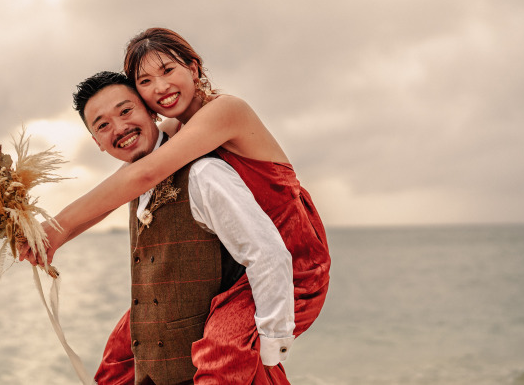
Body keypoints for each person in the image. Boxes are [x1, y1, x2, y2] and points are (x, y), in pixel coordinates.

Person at [39, 28, 331, 340]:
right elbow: (122, 186)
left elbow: (144, 175)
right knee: (125, 348)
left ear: (193, 68)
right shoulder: (176, 127)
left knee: (224, 353)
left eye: (167, 70)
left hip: (290, 261)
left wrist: (59, 226)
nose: (160, 87)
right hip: (234, 264)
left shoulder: (226, 111)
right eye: (145, 81)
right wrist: (53, 235)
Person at [63, 71, 295, 384]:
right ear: (97, 142)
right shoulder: (129, 185)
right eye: (102, 125)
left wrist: (271, 347)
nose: (119, 128)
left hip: (215, 372)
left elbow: (267, 255)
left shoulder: (204, 173)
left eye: (125, 111)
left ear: (151, 111)